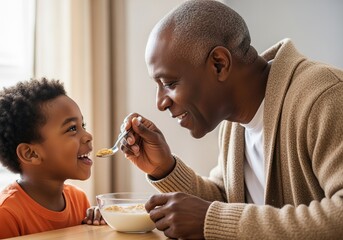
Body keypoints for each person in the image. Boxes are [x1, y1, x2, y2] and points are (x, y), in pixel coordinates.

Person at [119, 0, 343, 239]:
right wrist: (164, 168)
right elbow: (227, 200)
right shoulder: (232, 124)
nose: (160, 102)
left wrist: (212, 220)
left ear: (219, 64)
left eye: (169, 84)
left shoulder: (324, 96)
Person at [0, 78, 104, 239]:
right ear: (30, 154)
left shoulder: (79, 199)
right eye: (72, 128)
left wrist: (96, 228)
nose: (88, 136)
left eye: (82, 126)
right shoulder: (6, 215)